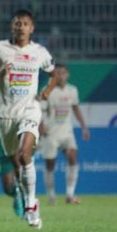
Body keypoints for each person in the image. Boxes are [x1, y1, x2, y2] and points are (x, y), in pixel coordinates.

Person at [0, 9, 56, 229]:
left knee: (24, 153)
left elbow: (54, 73)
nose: (21, 27)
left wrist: (47, 91)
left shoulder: (39, 51)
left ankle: (30, 206)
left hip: (30, 110)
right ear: (12, 27)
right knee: (17, 166)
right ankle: (31, 201)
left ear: (32, 28)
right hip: (5, 117)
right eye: (17, 23)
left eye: (25, 23)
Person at [39, 63, 90, 205]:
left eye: (63, 73)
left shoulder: (72, 91)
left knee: (73, 157)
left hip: (67, 132)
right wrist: (41, 126)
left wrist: (84, 127)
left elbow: (76, 108)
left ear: (67, 75)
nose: (60, 76)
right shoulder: (47, 91)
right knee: (50, 164)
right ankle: (51, 196)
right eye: (58, 73)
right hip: (51, 133)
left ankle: (69, 194)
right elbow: (40, 111)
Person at [0, 92, 24, 217]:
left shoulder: (24, 91)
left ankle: (29, 204)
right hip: (1, 139)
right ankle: (15, 193)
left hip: (20, 135)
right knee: (7, 187)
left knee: (20, 167)